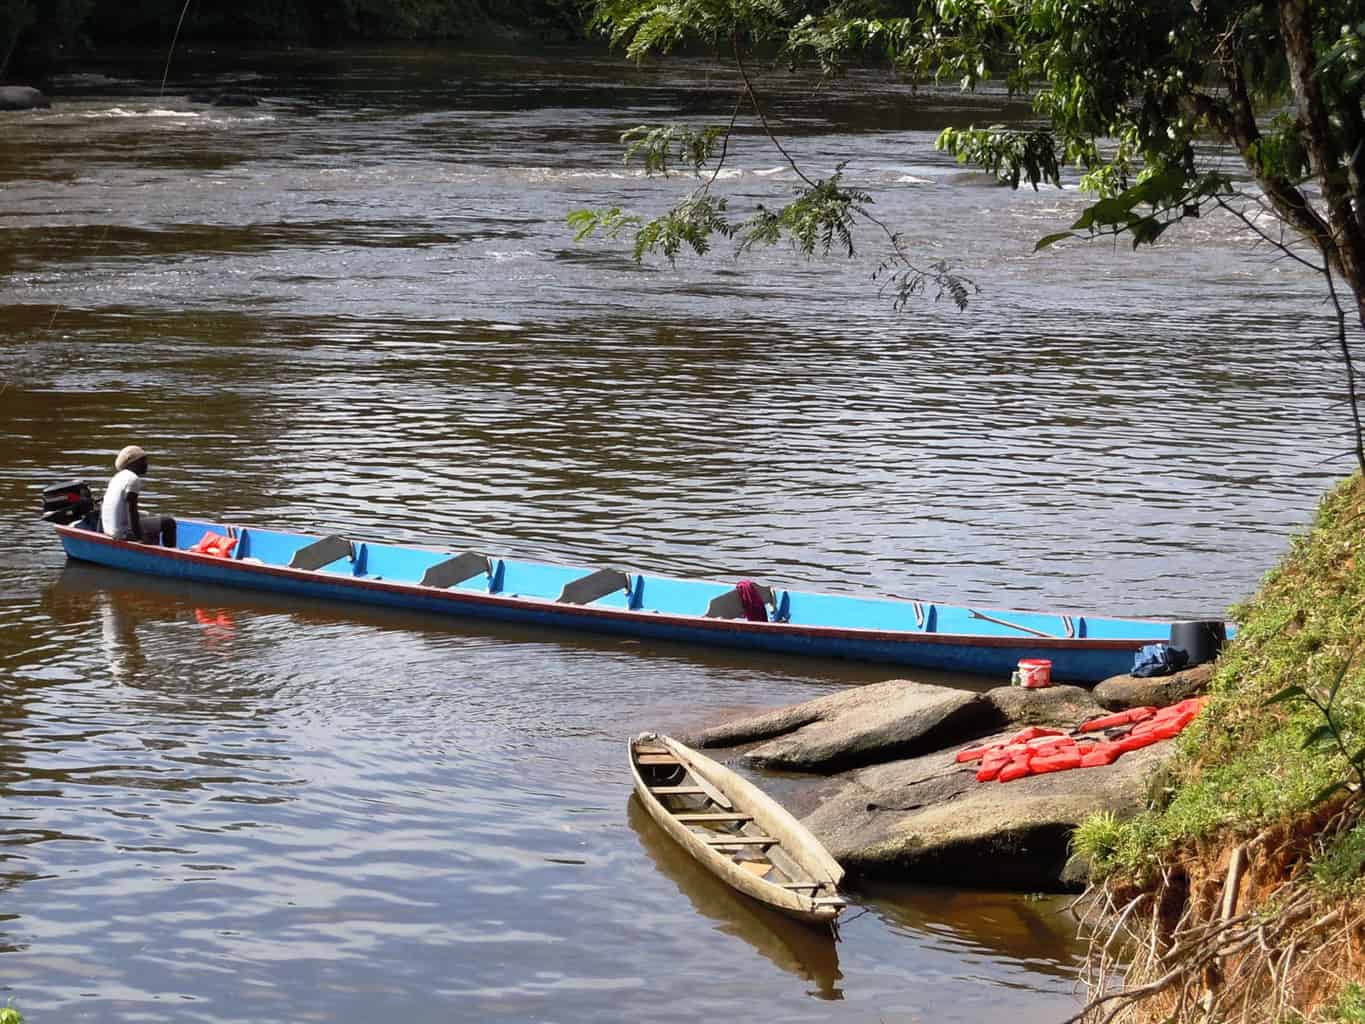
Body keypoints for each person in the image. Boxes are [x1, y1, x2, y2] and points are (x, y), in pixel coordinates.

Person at [101, 445, 176, 547]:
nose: (146, 464)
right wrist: (140, 537)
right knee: (169, 522)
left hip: (109, 529)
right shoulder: (133, 479)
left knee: (152, 515)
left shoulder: (118, 476)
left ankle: (154, 542)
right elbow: (132, 512)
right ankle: (171, 555)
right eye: (142, 461)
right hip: (122, 532)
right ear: (132, 463)